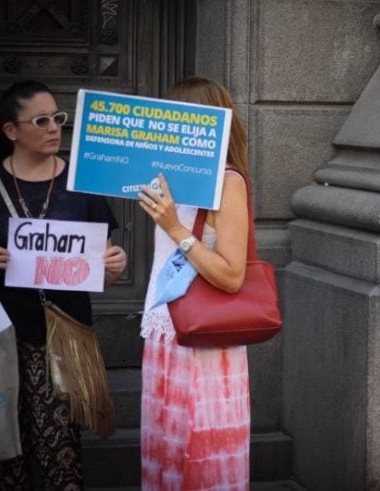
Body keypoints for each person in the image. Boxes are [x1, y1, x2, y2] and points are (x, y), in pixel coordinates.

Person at [0, 80, 127, 489]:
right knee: (5, 449)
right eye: (41, 120)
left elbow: (103, 255)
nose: (54, 127)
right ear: (11, 131)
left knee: (60, 450)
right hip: (3, 339)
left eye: (58, 118)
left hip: (64, 338)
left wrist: (115, 263)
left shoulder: (81, 183)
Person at [138, 76, 252, 490]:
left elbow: (232, 274)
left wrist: (174, 228)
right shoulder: (166, 180)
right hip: (166, 335)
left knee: (202, 462)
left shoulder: (227, 181)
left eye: (176, 117)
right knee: (167, 455)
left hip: (206, 341)